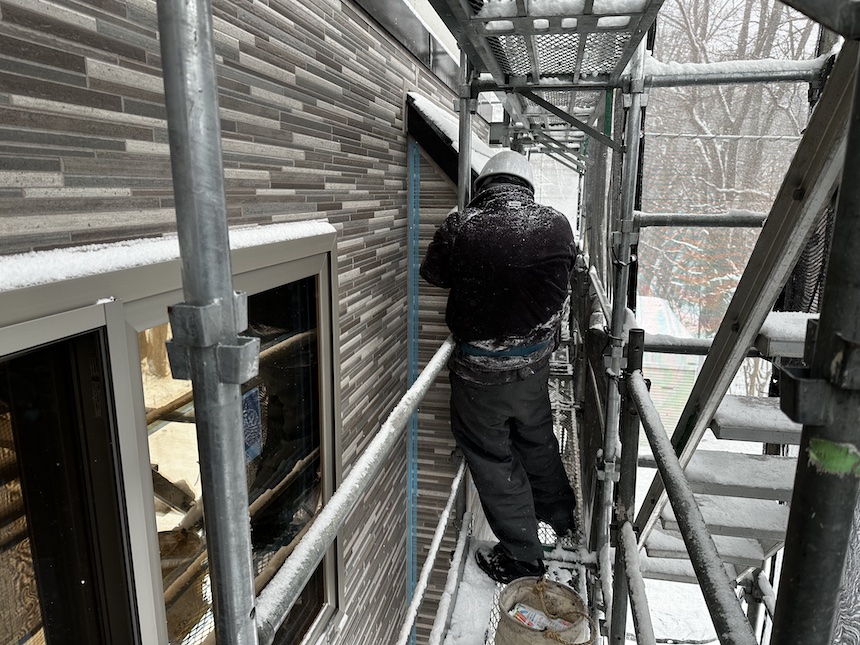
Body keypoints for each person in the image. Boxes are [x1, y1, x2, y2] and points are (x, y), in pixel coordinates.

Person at [420, 150, 577, 584]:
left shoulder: (462, 225)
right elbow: (565, 271)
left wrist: (454, 232)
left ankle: (523, 559)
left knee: (493, 459)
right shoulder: (557, 224)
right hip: (534, 364)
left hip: (480, 375)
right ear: (527, 188)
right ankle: (561, 515)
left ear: (483, 186)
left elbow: (433, 273)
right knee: (535, 438)